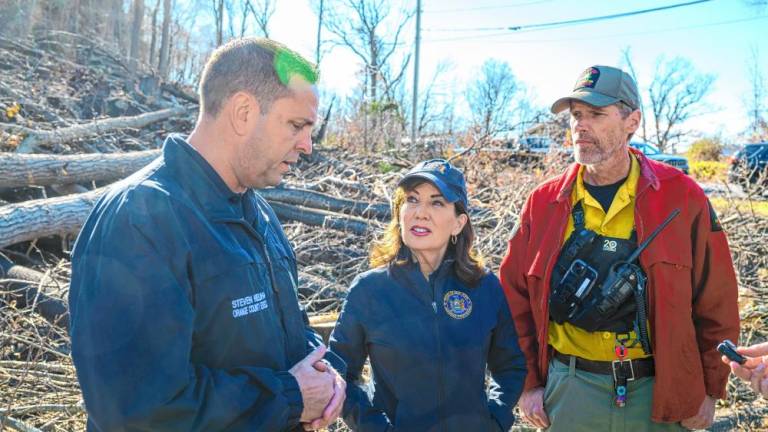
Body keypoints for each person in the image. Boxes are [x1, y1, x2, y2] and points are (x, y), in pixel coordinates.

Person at [68, 38, 346, 432]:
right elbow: (135, 410)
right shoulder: (140, 218)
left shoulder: (259, 215)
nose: (307, 145)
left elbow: (277, 338)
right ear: (244, 112)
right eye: (296, 125)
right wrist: (290, 397)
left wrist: (321, 375)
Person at [499, 65, 740, 431]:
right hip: (570, 391)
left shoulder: (681, 197)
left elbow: (716, 299)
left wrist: (708, 390)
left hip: (661, 394)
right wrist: (528, 385)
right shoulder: (543, 203)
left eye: (596, 114)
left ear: (633, 121)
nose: (581, 125)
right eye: (576, 115)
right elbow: (512, 300)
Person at [330, 159, 527, 431]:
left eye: (436, 202)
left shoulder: (485, 287)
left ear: (458, 223)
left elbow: (510, 366)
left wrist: (494, 421)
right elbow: (339, 374)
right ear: (400, 213)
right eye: (412, 199)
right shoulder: (369, 291)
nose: (420, 212)